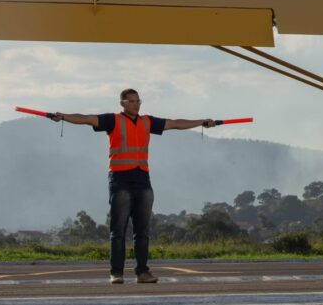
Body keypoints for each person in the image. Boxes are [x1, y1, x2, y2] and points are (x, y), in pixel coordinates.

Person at [50, 88, 214, 284]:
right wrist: (64, 117)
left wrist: (201, 122)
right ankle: (116, 273)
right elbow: (86, 119)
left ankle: (142, 272)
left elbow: (176, 123)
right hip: (120, 180)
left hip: (143, 179)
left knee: (142, 232)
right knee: (118, 231)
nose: (136, 104)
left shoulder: (147, 121)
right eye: (132, 101)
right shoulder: (113, 120)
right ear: (123, 103)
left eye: (138, 101)